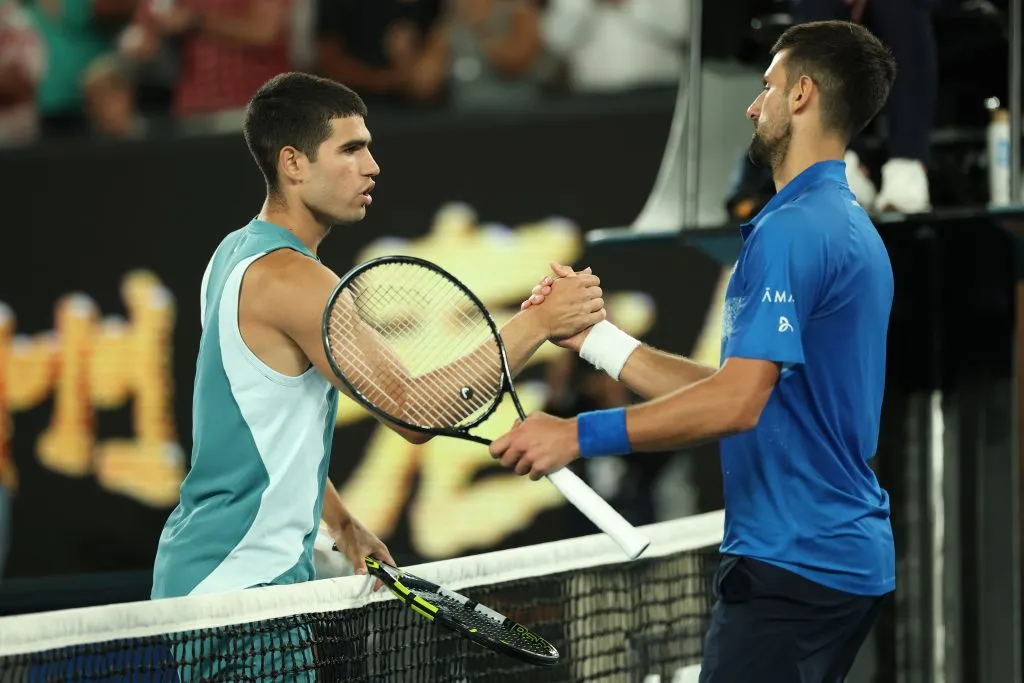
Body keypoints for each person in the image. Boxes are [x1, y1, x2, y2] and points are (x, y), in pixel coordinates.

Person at [499, 20, 897, 683]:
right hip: (835, 562)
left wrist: (576, 433)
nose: (752, 103)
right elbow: (747, 390)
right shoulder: (845, 224)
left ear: (801, 96)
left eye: (766, 86)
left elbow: (736, 402)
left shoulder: (789, 233)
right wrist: (598, 341)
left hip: (790, 567)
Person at [151, 71, 606, 603]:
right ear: (293, 163)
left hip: (204, 575)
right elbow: (412, 413)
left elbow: (265, 431)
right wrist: (538, 324)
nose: (372, 166)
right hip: (241, 592)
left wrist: (342, 524)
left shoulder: (233, 252)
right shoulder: (295, 281)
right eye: (351, 149)